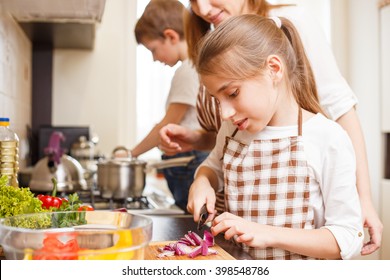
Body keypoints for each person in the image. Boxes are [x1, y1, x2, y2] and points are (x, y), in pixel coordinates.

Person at [158, 0, 382, 255]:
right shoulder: (231, 131)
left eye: (232, 93)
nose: (224, 113)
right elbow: (212, 166)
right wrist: (201, 181)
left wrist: (267, 234)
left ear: (274, 69)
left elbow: (347, 237)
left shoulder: (327, 139)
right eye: (216, 100)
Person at [131, 0, 208, 211]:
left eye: (153, 49)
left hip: (190, 162)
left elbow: (167, 124)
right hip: (188, 160)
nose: (155, 58)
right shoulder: (192, 67)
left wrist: (131, 154)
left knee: (190, 224)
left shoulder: (188, 70)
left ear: (171, 36)